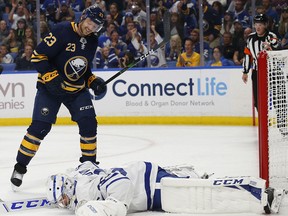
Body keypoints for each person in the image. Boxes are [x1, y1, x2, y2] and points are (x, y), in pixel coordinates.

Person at [10, 4, 107, 188]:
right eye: (89, 23)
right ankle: (19, 168)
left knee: (89, 124)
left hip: (76, 91)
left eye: (96, 26)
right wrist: (51, 78)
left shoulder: (92, 40)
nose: (91, 28)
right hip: (50, 89)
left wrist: (92, 80)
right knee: (39, 128)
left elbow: (82, 68)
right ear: (83, 17)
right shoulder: (62, 30)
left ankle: (89, 168)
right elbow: (38, 56)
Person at [46, 160, 282, 216]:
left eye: (63, 199)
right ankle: (186, 174)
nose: (63, 204)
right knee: (194, 196)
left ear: (69, 188)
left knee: (201, 197)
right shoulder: (80, 180)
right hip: (147, 182)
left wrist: (116, 206)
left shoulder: (85, 189)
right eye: (59, 202)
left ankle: (261, 194)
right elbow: (87, 165)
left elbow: (121, 183)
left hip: (149, 186)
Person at [242, 14, 279, 110]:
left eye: (261, 24)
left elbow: (278, 49)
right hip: (256, 72)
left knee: (277, 98)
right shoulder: (250, 38)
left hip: (272, 71)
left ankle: (280, 120)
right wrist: (245, 72)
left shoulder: (271, 36)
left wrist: (271, 48)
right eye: (256, 24)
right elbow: (247, 54)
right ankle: (263, 123)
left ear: (265, 25)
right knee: (258, 101)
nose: (258, 27)